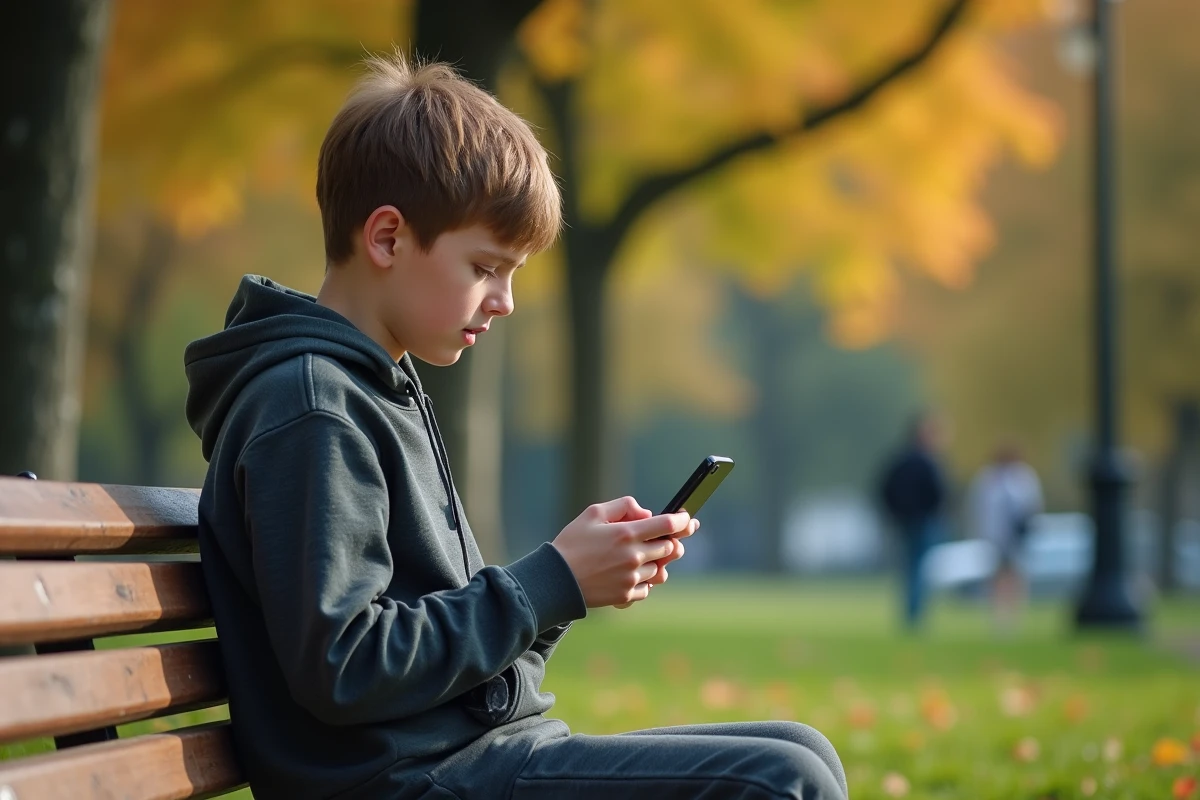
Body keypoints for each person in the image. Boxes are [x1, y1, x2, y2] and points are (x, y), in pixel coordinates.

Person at [183, 55, 847, 800]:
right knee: (778, 781)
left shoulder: (374, 391)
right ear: (387, 239)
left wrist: (571, 584)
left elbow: (454, 658)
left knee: (802, 748)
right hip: (410, 781)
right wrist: (547, 582)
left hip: (467, 755)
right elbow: (344, 666)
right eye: (486, 266)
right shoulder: (311, 410)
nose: (503, 301)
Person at [878, 413, 948, 629]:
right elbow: (937, 493)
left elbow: (884, 488)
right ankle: (915, 615)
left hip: (904, 520)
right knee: (919, 568)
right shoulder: (927, 462)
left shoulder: (899, 460)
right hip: (922, 520)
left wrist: (893, 512)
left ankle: (910, 612)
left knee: (909, 568)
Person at [967, 443, 1043, 633]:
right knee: (997, 575)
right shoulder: (987, 479)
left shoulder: (1024, 478)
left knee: (1016, 575)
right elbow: (979, 509)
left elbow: (1032, 506)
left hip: (1017, 537)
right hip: (994, 537)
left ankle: (1014, 617)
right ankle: (999, 618)